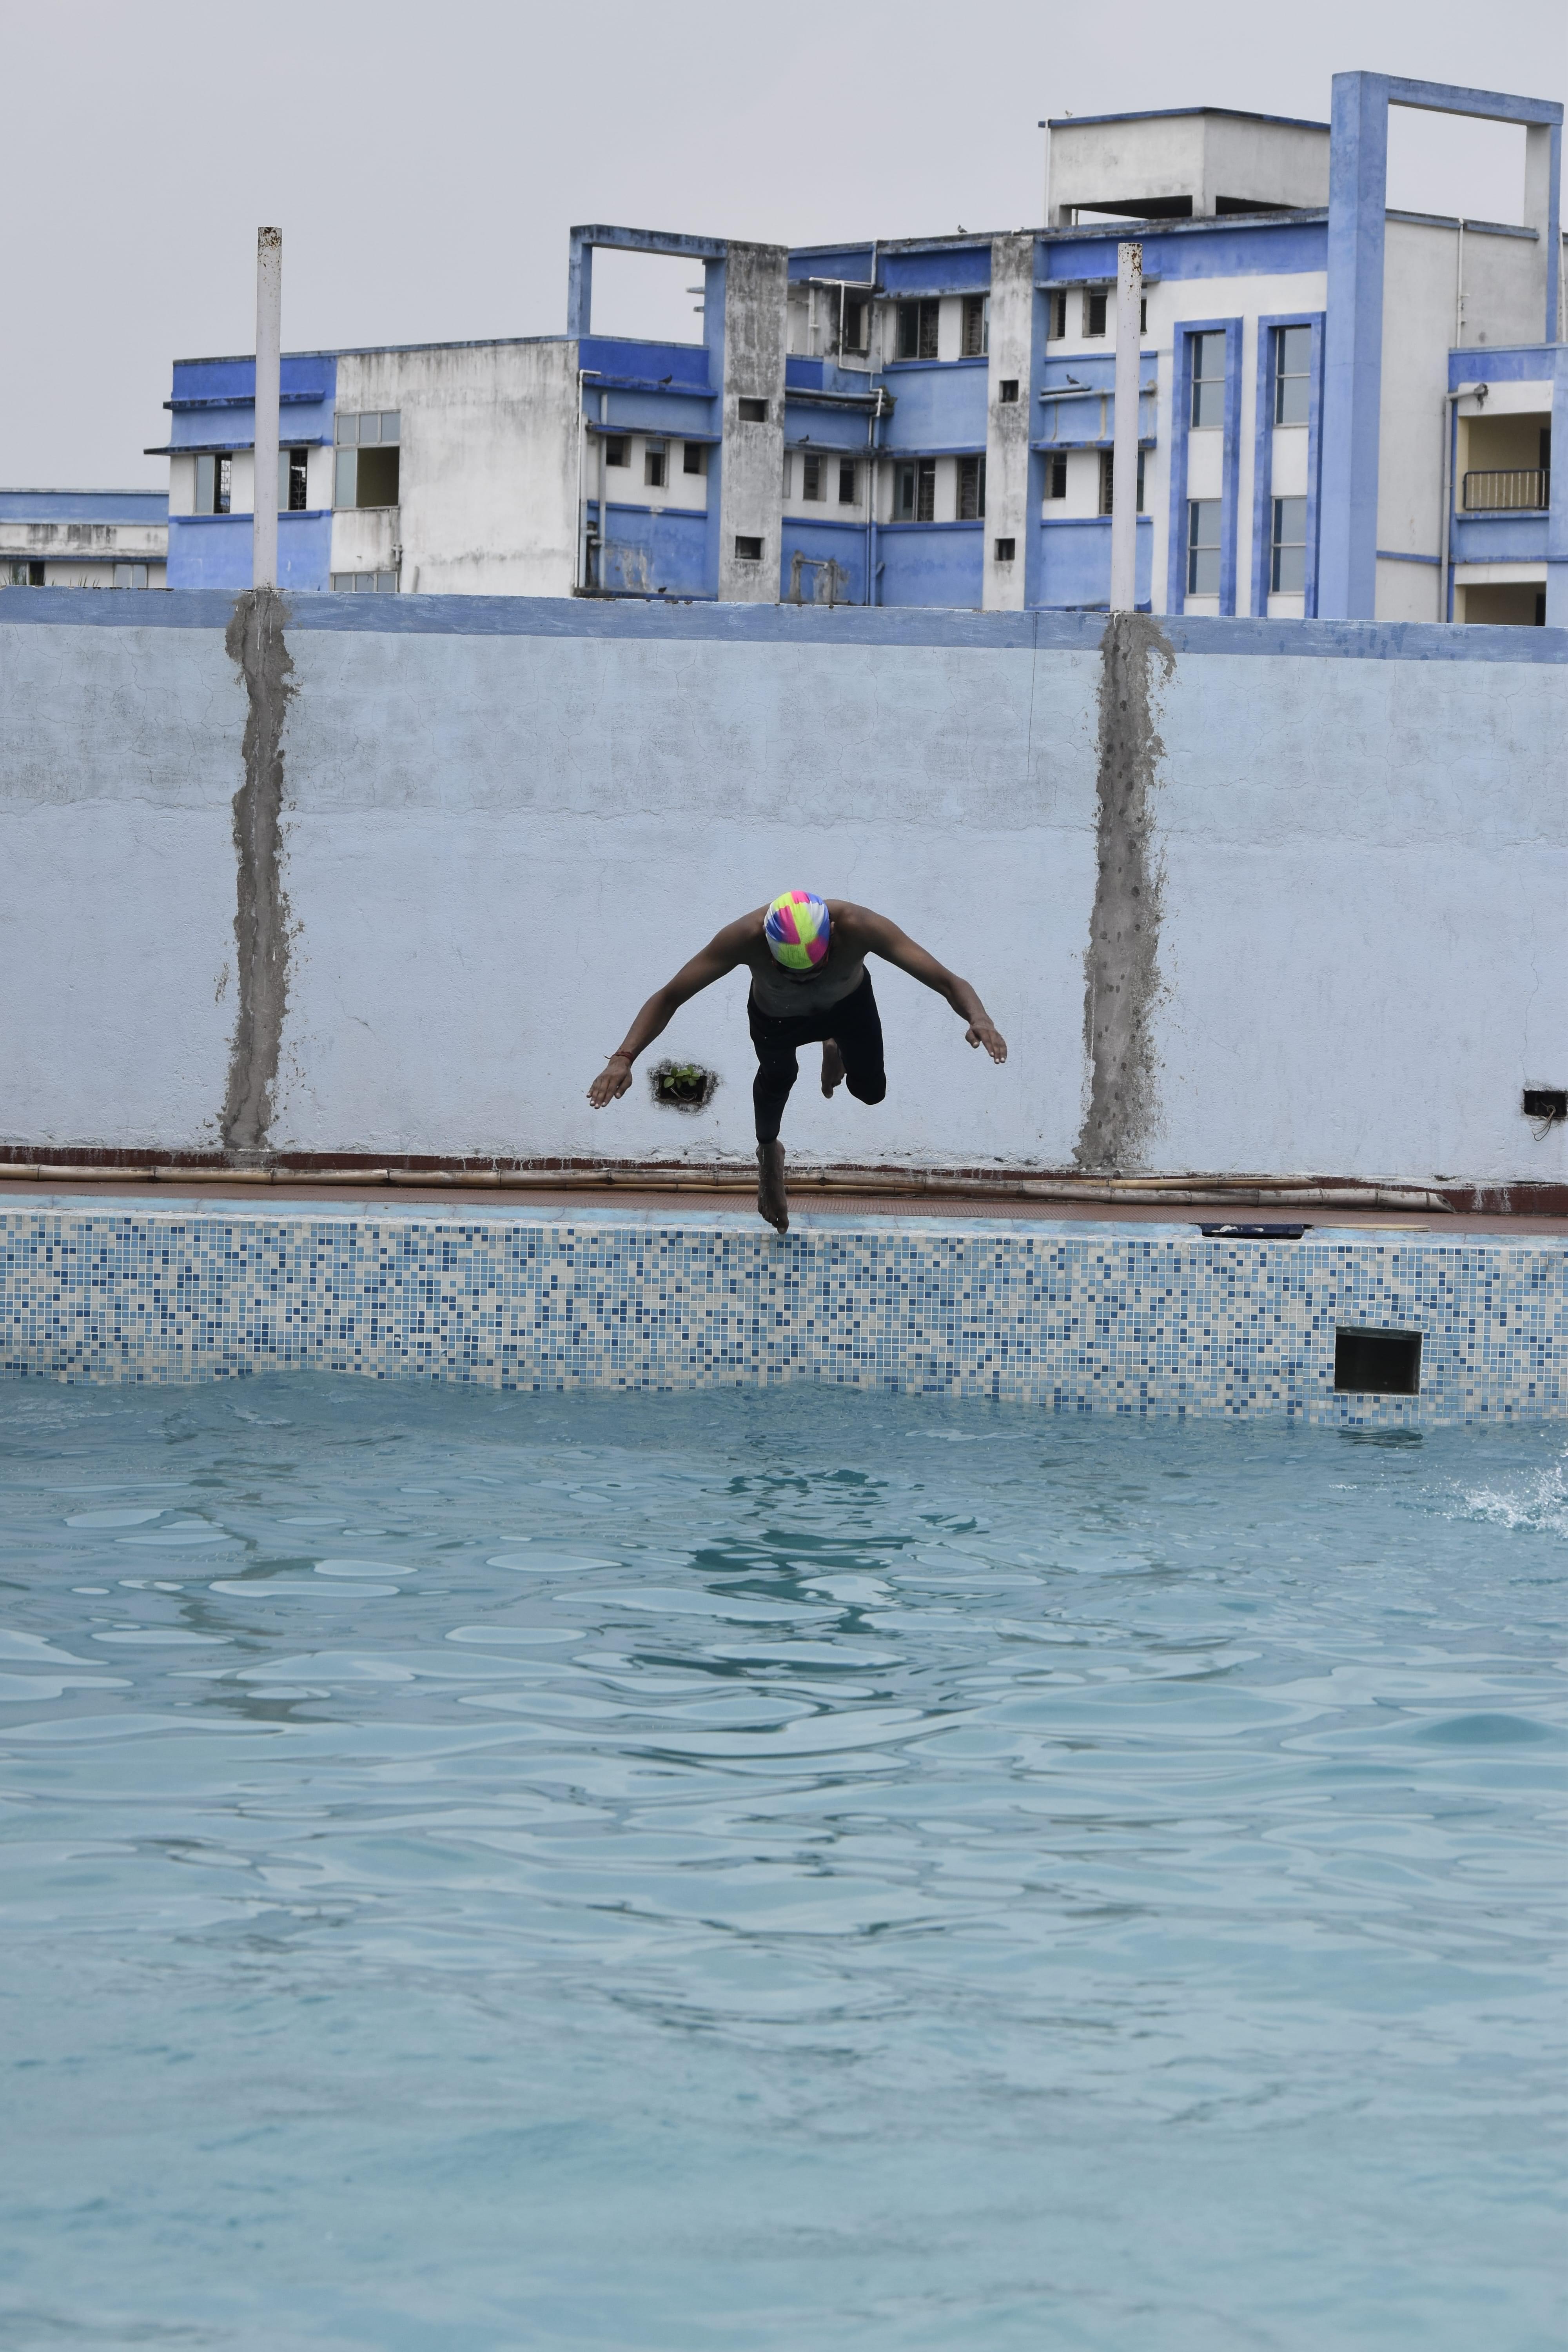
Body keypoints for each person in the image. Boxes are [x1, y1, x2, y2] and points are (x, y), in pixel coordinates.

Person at [586, 890, 1007, 1232]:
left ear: (833, 938)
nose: (804, 979)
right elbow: (669, 996)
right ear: (768, 950)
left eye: (815, 969)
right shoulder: (743, 937)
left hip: (848, 1009)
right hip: (777, 1018)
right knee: (778, 1078)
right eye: (790, 972)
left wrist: (980, 1018)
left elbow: (947, 980)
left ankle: (832, 1042)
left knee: (870, 1092)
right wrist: (623, 1058)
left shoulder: (860, 926)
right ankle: (769, 1160)